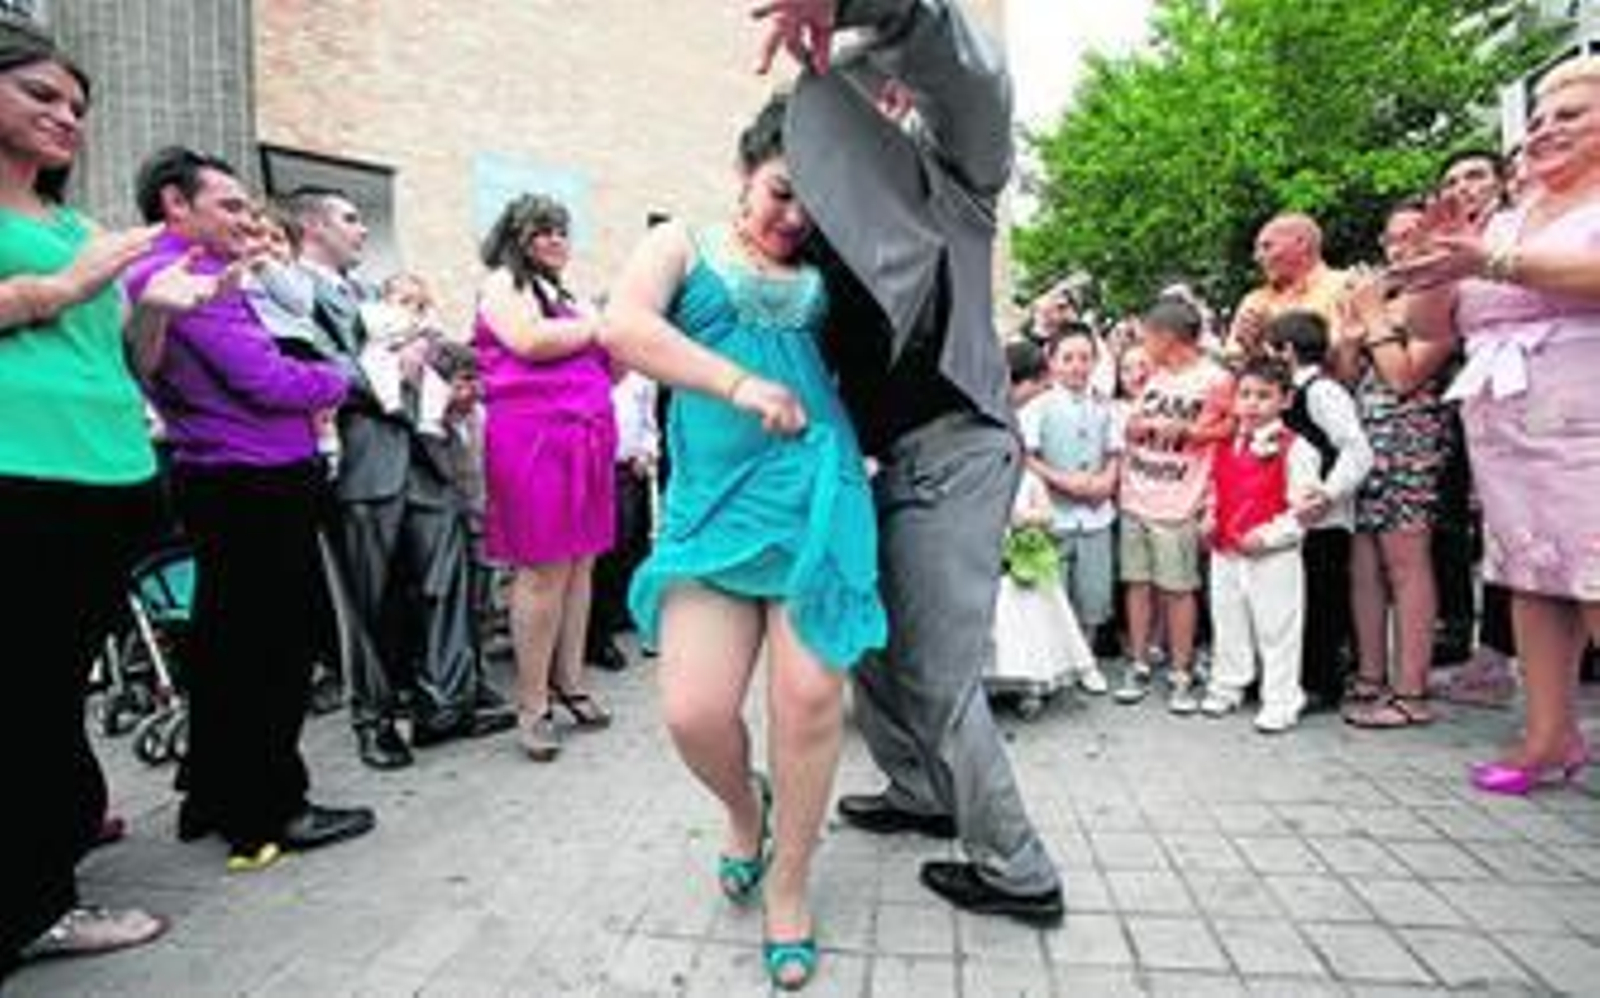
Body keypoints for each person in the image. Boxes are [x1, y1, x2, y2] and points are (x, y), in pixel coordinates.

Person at [757, 0, 1065, 927]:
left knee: (934, 671)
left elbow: (970, 70)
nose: (861, 104)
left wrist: (857, 9)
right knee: (876, 653)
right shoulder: (823, 240)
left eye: (869, 84)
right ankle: (921, 792)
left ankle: (1018, 869)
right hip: (894, 469)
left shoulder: (957, 184)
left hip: (960, 452)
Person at [602, 94, 886, 991]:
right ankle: (743, 806)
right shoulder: (680, 242)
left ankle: (791, 887)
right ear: (746, 170)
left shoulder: (832, 266)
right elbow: (624, 328)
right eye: (781, 193)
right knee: (693, 712)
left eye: (814, 204)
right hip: (714, 508)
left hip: (817, 489)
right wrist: (735, 383)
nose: (795, 219)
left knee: (807, 702)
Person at [0, 36, 214, 973]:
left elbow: (132, 364)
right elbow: (48, 303)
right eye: (39, 94)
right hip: (22, 471)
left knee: (52, 692)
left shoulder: (75, 219)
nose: (66, 116)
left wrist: (157, 307)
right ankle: (32, 906)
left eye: (79, 107)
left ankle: (53, 839)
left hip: (104, 475)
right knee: (24, 698)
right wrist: (70, 283)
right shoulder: (77, 249)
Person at [131, 146, 375, 871]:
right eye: (230, 205)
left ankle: (210, 793)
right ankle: (271, 808)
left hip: (227, 477)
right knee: (273, 650)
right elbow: (266, 381)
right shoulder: (187, 277)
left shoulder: (179, 274)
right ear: (177, 205)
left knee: (224, 647)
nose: (247, 218)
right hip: (255, 482)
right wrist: (347, 374)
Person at [1396, 55, 1600, 793]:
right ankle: (1549, 735)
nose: (1546, 129)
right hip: (1506, 423)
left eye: (1568, 115)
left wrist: (1498, 260)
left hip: (1585, 415)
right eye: (1538, 118)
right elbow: (1431, 325)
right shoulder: (1506, 220)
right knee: (1533, 577)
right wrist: (1437, 267)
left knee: (1594, 570)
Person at [475, 193, 616, 762]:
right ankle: (532, 705)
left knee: (581, 565)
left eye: (562, 231)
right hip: (534, 442)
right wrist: (601, 324)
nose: (557, 240)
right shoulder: (502, 284)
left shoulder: (565, 296)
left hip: (585, 438)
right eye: (544, 231)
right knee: (543, 571)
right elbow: (529, 341)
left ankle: (571, 680)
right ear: (517, 237)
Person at [1330, 202, 1457, 729]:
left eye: (1414, 235)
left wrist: (1374, 313)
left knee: (1406, 563)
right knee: (1363, 563)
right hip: (1363, 441)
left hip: (1410, 440)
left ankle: (1411, 690)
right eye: (1393, 238)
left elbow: (1406, 376)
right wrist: (1348, 334)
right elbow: (1346, 378)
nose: (1400, 246)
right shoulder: (1383, 299)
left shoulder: (1437, 295)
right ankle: (1370, 674)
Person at [1116, 298, 1235, 711]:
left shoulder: (1215, 378)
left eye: (1146, 335)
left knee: (1179, 589)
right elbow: (1134, 422)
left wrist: (1187, 430)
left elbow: (1230, 427)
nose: (1141, 342)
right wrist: (1137, 427)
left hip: (1180, 500)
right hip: (1137, 493)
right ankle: (1138, 661)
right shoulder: (1155, 375)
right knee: (1137, 583)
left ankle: (1181, 671)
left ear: (1166, 336)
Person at [1199, 356, 1322, 733]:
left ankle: (1283, 698)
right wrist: (1209, 517)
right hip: (1227, 549)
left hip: (1272, 556)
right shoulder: (1226, 445)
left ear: (1285, 400)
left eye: (1263, 396)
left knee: (1277, 627)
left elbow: (1304, 512)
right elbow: (1217, 490)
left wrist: (1267, 537)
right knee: (1228, 619)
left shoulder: (1297, 448)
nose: (1251, 404)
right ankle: (1228, 683)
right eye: (1245, 394)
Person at [1264, 310, 1374, 711]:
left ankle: (1322, 681)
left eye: (1271, 348)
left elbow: (1357, 449)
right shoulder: (1289, 390)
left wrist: (1328, 494)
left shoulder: (1323, 392)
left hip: (1325, 522)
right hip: (1294, 520)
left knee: (1322, 603)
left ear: (1287, 350)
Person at [993, 340, 1099, 706]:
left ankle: (1032, 677)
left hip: (1021, 498)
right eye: (1040, 384)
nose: (1043, 392)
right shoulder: (998, 411)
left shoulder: (1014, 412)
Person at [1023, 326, 1118, 693]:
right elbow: (1027, 456)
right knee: (1052, 592)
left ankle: (1086, 661)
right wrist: (1064, 481)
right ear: (1052, 361)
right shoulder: (1038, 407)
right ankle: (1051, 667)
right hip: (1054, 514)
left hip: (1095, 514)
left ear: (1095, 361)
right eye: (1068, 358)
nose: (1077, 366)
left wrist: (1105, 481)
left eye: (1084, 358)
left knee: (1093, 593)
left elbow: (1114, 453)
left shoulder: (1104, 405)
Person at [1228, 213, 1348, 358]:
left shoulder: (1344, 286)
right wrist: (1250, 350)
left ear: (1301, 243)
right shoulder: (1253, 300)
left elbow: (1342, 357)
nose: (1257, 257)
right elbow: (1233, 360)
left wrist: (1269, 342)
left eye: (1267, 246)